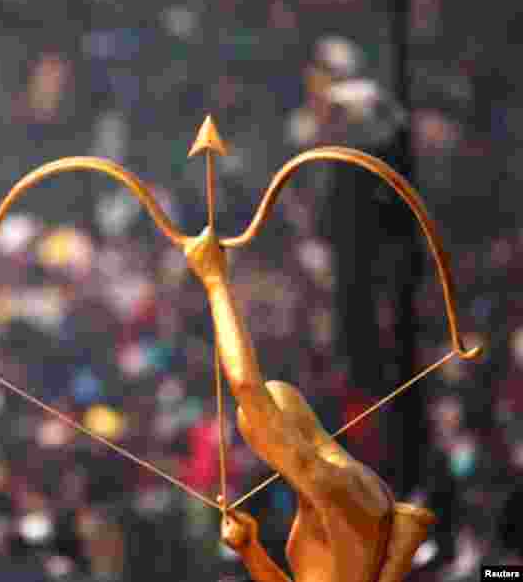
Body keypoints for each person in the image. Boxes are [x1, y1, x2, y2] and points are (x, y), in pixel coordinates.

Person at [184, 228, 435, 582]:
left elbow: (245, 386)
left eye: (257, 434)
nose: (260, 450)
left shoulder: (333, 486)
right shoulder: (328, 492)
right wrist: (250, 550)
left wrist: (214, 280)